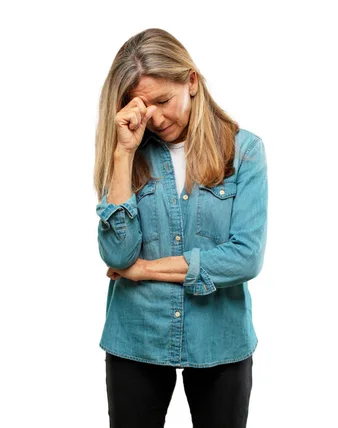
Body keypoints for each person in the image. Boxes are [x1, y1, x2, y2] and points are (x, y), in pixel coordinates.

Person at [92, 28, 268, 428]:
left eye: (161, 101)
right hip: (136, 335)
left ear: (190, 81)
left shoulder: (245, 152)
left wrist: (145, 270)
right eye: (140, 105)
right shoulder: (128, 151)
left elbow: (245, 257)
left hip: (220, 340)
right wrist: (122, 153)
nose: (153, 117)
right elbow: (118, 255)